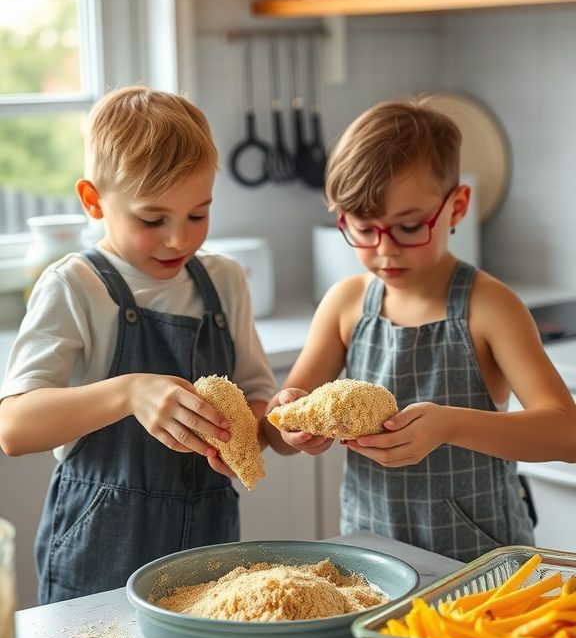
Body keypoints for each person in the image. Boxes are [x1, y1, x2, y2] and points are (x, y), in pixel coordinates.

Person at [263, 98, 576, 562]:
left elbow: (566, 434)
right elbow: (279, 427)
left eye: (409, 226)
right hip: (371, 562)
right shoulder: (345, 305)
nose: (385, 249)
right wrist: (290, 423)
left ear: (457, 207)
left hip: (479, 562)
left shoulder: (489, 307)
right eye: (364, 230)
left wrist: (449, 424)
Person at [0, 86, 277, 602]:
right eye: (153, 220)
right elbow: (14, 428)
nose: (179, 239)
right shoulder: (75, 286)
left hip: (209, 549)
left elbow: (256, 404)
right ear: (93, 201)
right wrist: (129, 392)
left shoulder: (226, 280)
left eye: (198, 214)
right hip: (99, 548)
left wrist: (275, 428)